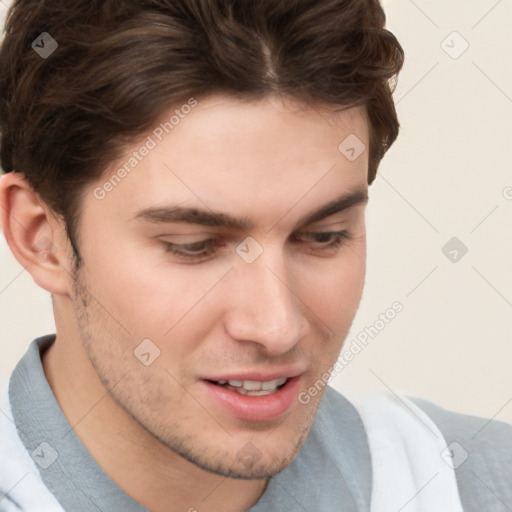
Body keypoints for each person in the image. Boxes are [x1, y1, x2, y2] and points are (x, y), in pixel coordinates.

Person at [0, 0, 510, 511]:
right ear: (40, 238)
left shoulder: (478, 484)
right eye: (193, 247)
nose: (277, 327)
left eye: (323, 235)